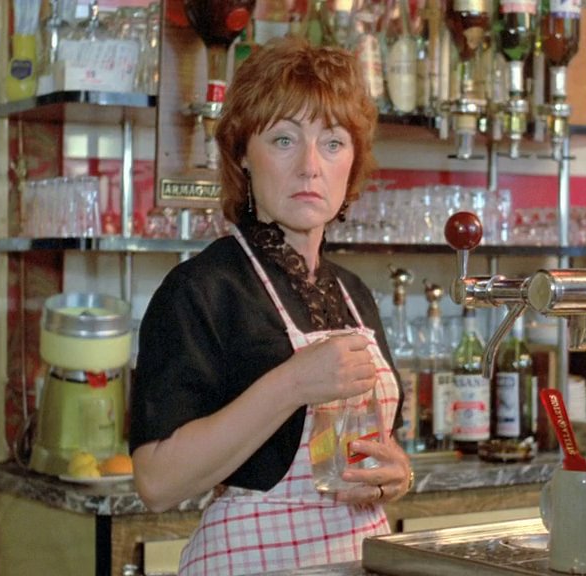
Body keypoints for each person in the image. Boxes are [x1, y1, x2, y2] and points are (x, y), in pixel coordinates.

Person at [129, 37, 413, 575]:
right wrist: (293, 384)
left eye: (333, 143)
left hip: (358, 559)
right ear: (242, 153)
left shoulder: (353, 292)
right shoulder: (202, 289)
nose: (310, 166)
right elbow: (157, 482)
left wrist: (395, 473)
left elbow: (377, 444)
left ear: (352, 163)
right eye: (284, 139)